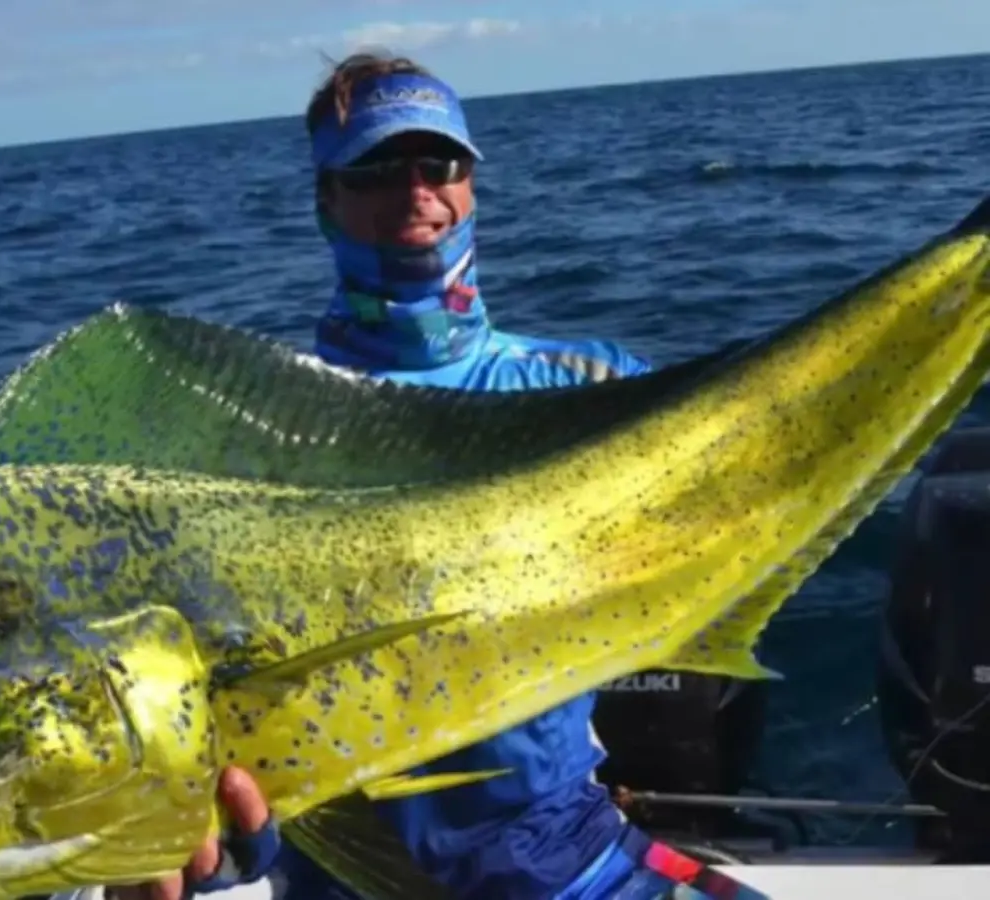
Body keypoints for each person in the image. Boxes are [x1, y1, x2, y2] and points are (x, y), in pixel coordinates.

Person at [118, 51, 768, 900]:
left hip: (565, 858)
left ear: (470, 186)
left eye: (441, 162)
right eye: (377, 166)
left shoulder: (589, 387)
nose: (415, 187)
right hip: (349, 878)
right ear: (327, 199)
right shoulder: (260, 428)